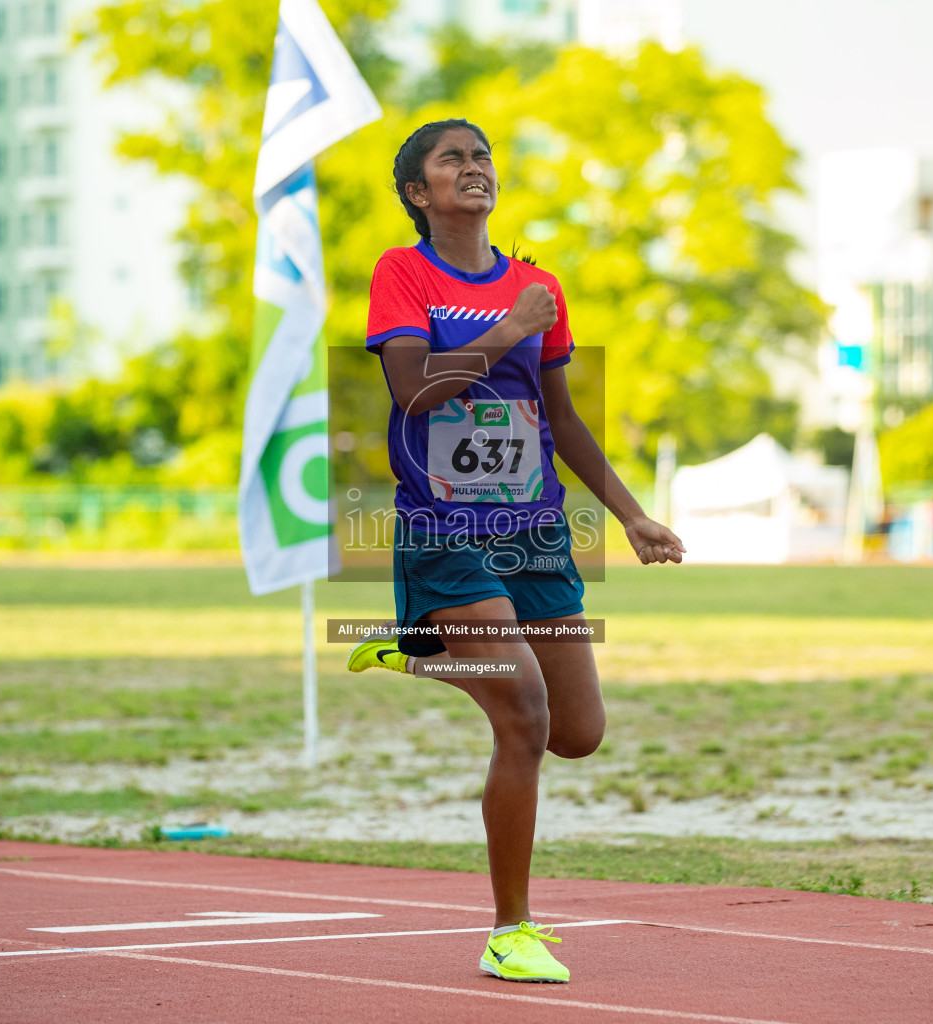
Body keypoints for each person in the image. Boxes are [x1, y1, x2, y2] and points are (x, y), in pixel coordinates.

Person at [346, 118, 684, 984]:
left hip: (533, 531)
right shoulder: (403, 272)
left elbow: (562, 417)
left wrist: (632, 515)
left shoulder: (538, 284)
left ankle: (422, 650)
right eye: (452, 158)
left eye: (483, 155)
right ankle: (510, 930)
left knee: (577, 733)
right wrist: (503, 330)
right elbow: (415, 392)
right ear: (419, 193)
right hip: (444, 529)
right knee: (524, 716)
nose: (475, 167)